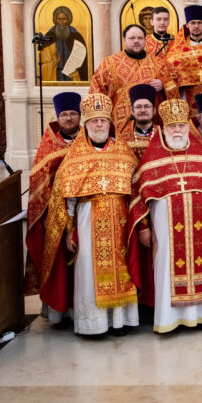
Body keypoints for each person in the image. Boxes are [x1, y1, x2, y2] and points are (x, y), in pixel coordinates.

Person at [41, 94, 140, 336]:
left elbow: (136, 187)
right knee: (88, 271)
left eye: (103, 121)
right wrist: (69, 231)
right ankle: (93, 324)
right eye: (94, 121)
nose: (98, 125)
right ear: (86, 124)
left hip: (120, 222)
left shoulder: (124, 151)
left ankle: (120, 322)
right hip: (87, 221)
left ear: (109, 123)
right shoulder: (76, 155)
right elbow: (67, 198)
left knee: (122, 269)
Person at [129, 99, 202, 333]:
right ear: (164, 129)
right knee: (167, 267)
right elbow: (139, 196)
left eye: (181, 126)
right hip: (166, 230)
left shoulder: (200, 155)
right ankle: (169, 319)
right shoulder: (152, 158)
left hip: (201, 227)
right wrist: (144, 228)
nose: (178, 130)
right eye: (172, 127)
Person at [26, 92, 82, 327]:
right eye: (64, 114)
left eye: (73, 114)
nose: (68, 118)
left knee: (82, 263)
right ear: (57, 117)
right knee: (59, 263)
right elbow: (39, 180)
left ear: (79, 116)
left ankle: (81, 310)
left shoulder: (88, 140)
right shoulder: (49, 143)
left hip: (85, 209)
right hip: (56, 213)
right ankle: (59, 311)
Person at [89, 24, 178, 129]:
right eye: (132, 38)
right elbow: (96, 93)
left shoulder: (159, 63)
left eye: (140, 38)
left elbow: (175, 85)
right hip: (120, 124)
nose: (136, 41)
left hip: (153, 124)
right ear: (124, 40)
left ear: (145, 40)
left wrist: (163, 85)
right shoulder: (109, 63)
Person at [38, 5, 88, 82]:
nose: (61, 22)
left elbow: (83, 58)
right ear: (55, 19)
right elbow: (43, 60)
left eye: (64, 19)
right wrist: (53, 62)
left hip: (73, 73)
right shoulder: (50, 35)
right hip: (55, 72)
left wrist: (77, 68)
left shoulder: (76, 35)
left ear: (68, 19)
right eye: (59, 19)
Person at [116, 83, 159, 159]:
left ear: (154, 110)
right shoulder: (123, 138)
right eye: (138, 107)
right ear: (132, 111)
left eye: (147, 106)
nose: (143, 110)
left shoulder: (162, 134)